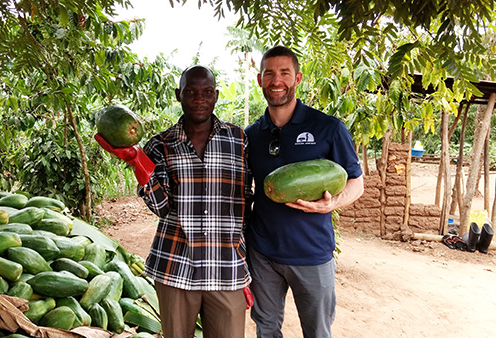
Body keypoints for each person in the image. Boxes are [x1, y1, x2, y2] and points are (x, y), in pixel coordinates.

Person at [98, 65, 253, 337]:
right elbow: (161, 207)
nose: (199, 99)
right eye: (190, 92)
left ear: (216, 95)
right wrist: (138, 162)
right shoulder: (161, 144)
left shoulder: (238, 139)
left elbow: (247, 199)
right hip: (175, 265)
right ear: (178, 95)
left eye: (207, 92)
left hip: (226, 267)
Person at [245, 46, 364, 338]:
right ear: (259, 80)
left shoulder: (328, 128)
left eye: (284, 73)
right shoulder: (250, 135)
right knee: (266, 329)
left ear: (297, 78)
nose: (276, 81)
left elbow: (356, 182)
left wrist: (332, 203)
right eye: (269, 74)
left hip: (311, 254)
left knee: (318, 332)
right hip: (263, 253)